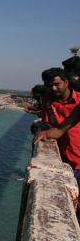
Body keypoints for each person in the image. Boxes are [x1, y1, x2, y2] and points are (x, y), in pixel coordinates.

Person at [34, 67, 80, 221]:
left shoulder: (78, 101)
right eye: (49, 85)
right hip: (64, 160)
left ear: (66, 82)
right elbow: (56, 128)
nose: (53, 89)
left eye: (57, 84)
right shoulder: (48, 99)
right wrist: (44, 131)